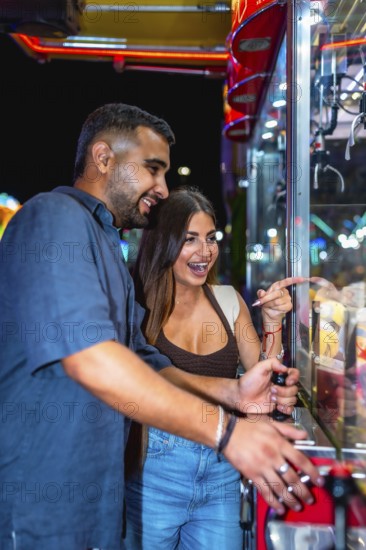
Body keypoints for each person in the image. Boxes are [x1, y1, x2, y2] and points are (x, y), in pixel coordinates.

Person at [0, 103, 322, 550]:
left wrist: (235, 393)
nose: (162, 187)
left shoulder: (105, 245)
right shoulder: (54, 217)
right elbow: (90, 357)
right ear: (104, 157)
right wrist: (225, 432)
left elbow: (144, 361)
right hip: (41, 505)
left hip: (96, 503)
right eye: (153, 169)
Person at [124, 186, 307, 549]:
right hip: (152, 472)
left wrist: (272, 321)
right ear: (163, 243)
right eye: (189, 239)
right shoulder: (134, 303)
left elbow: (263, 383)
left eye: (210, 238)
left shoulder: (227, 300)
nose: (204, 252)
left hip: (223, 469)